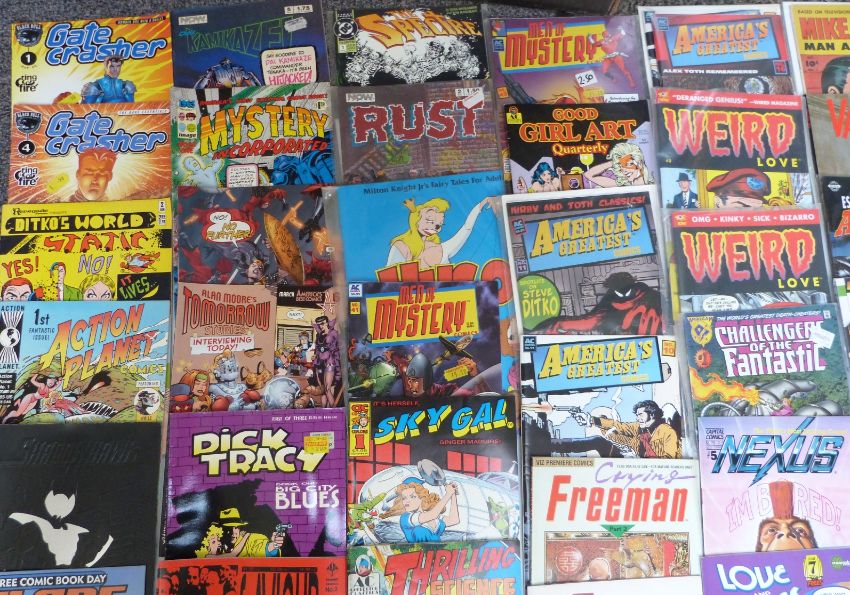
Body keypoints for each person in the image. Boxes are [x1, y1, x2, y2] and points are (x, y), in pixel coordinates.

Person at [386, 197, 491, 270]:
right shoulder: (401, 247)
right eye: (429, 220)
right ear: (416, 220)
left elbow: (466, 228)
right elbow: (388, 280)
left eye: (439, 224)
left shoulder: (442, 248)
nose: (434, 227)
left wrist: (481, 205)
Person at [573, 400, 680, 458]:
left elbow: (670, 459)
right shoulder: (640, 429)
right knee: (598, 440)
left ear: (651, 415)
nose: (638, 418)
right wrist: (591, 420)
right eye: (637, 415)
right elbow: (619, 427)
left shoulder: (667, 431)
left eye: (641, 415)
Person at [380, 477, 460, 543]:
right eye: (404, 498)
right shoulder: (406, 518)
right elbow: (432, 515)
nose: (407, 501)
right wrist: (448, 494)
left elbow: (454, 520)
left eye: (412, 497)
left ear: (422, 498)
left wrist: (453, 494)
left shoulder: (430, 515)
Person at [584, 143, 652, 188]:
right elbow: (589, 175)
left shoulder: (652, 184)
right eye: (620, 166)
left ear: (639, 164)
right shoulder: (619, 185)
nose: (624, 170)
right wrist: (614, 162)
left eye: (630, 164)